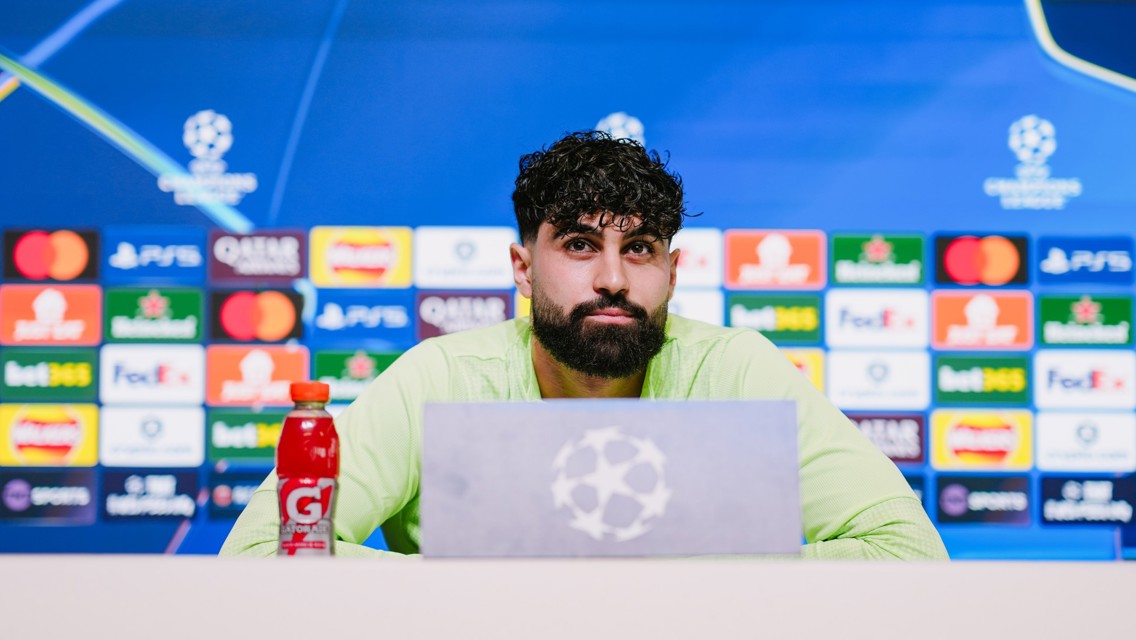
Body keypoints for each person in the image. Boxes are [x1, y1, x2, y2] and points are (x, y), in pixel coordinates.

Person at [221, 130, 948, 559]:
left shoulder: (736, 370)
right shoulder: (438, 381)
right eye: (577, 244)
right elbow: (265, 554)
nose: (611, 278)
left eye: (639, 249)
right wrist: (462, 596)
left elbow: (904, 549)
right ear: (523, 266)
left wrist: (703, 589)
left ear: (672, 270)